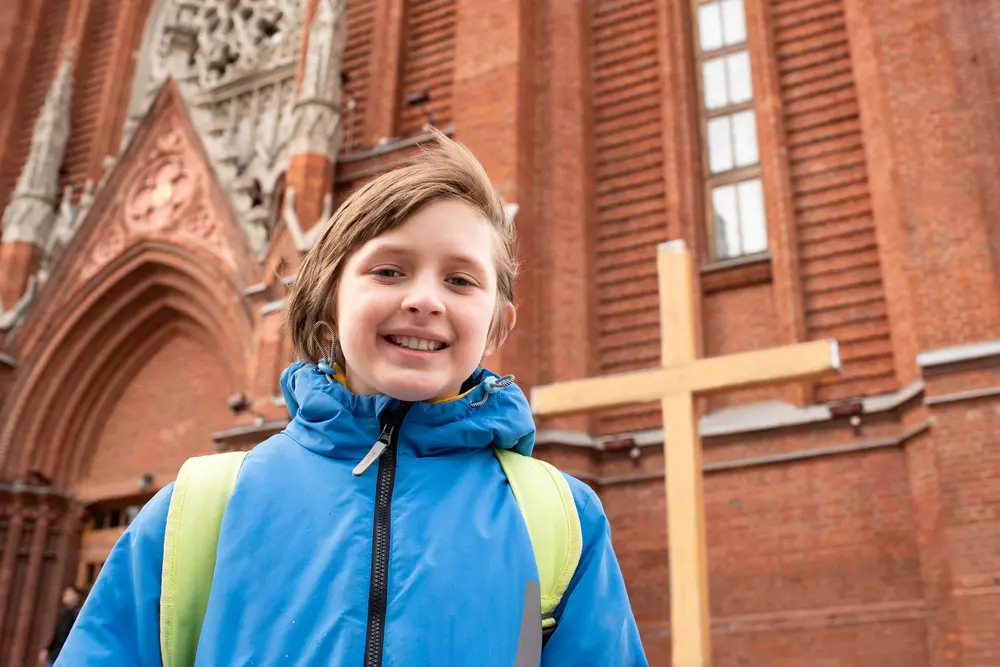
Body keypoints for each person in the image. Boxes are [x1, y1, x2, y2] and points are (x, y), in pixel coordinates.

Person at [56, 134, 648, 666]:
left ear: (498, 324)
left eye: (461, 280)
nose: (424, 299)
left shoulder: (558, 519)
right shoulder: (200, 508)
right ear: (329, 304)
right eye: (388, 271)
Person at [38, 586, 81, 666]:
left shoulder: (77, 614)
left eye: (69, 594)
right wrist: (48, 649)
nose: (66, 596)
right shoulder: (64, 613)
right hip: (56, 653)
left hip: (65, 652)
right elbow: (57, 634)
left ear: (76, 596)